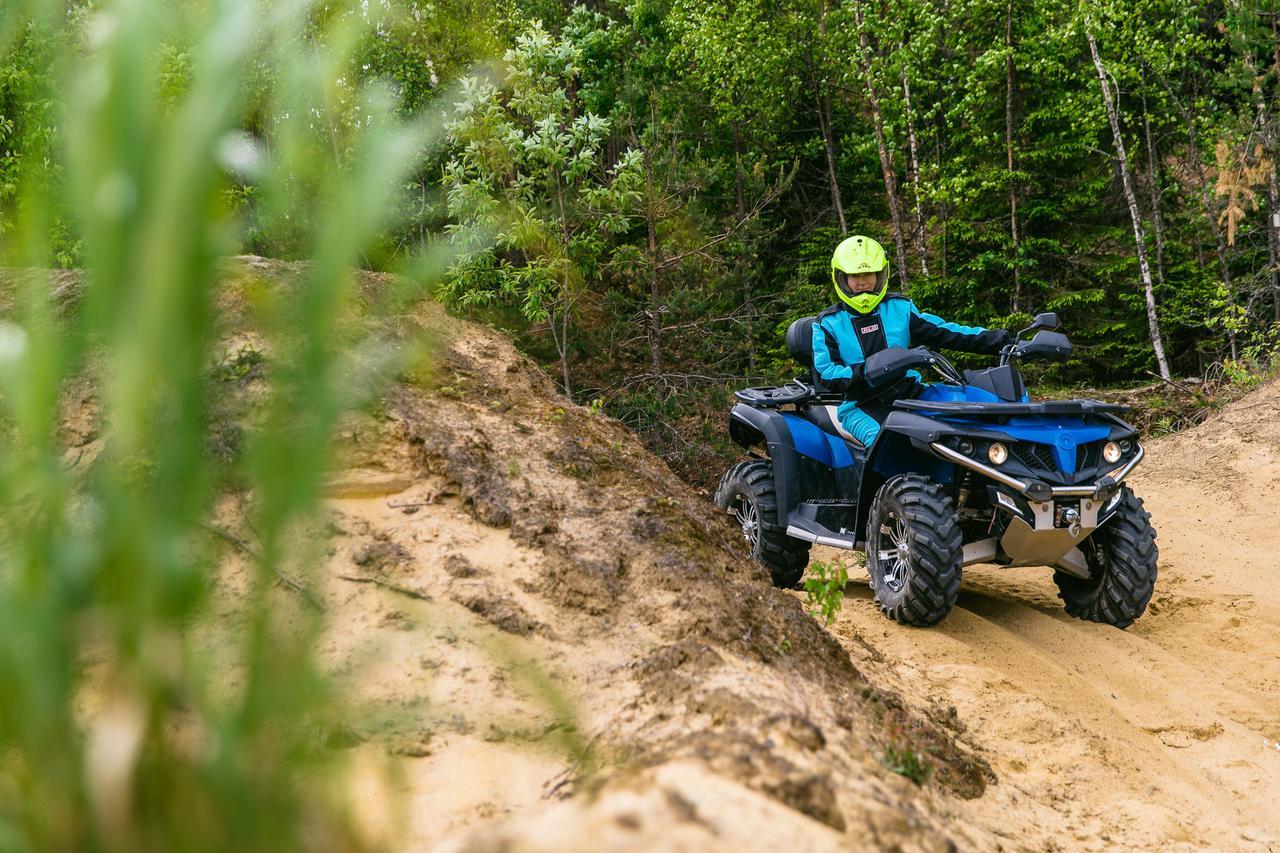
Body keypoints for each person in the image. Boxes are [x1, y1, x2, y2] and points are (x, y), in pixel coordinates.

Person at [811, 235, 1012, 446]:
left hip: (912, 393)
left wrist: (1002, 341)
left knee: (969, 422)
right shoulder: (827, 323)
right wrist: (871, 370)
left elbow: (945, 332)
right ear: (842, 278)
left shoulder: (900, 308)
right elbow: (827, 372)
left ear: (880, 274)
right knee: (889, 444)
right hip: (860, 405)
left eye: (868, 273)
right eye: (855, 275)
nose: (862, 281)